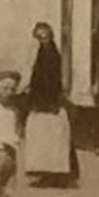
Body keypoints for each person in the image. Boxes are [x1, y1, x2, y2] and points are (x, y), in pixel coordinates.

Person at [24, 21, 78, 188]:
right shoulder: (43, 53)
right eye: (39, 37)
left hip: (48, 103)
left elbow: (51, 82)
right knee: (45, 139)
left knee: (53, 138)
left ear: (50, 36)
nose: (42, 40)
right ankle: (47, 173)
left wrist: (46, 102)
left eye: (45, 37)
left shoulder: (51, 56)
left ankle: (57, 175)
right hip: (42, 101)